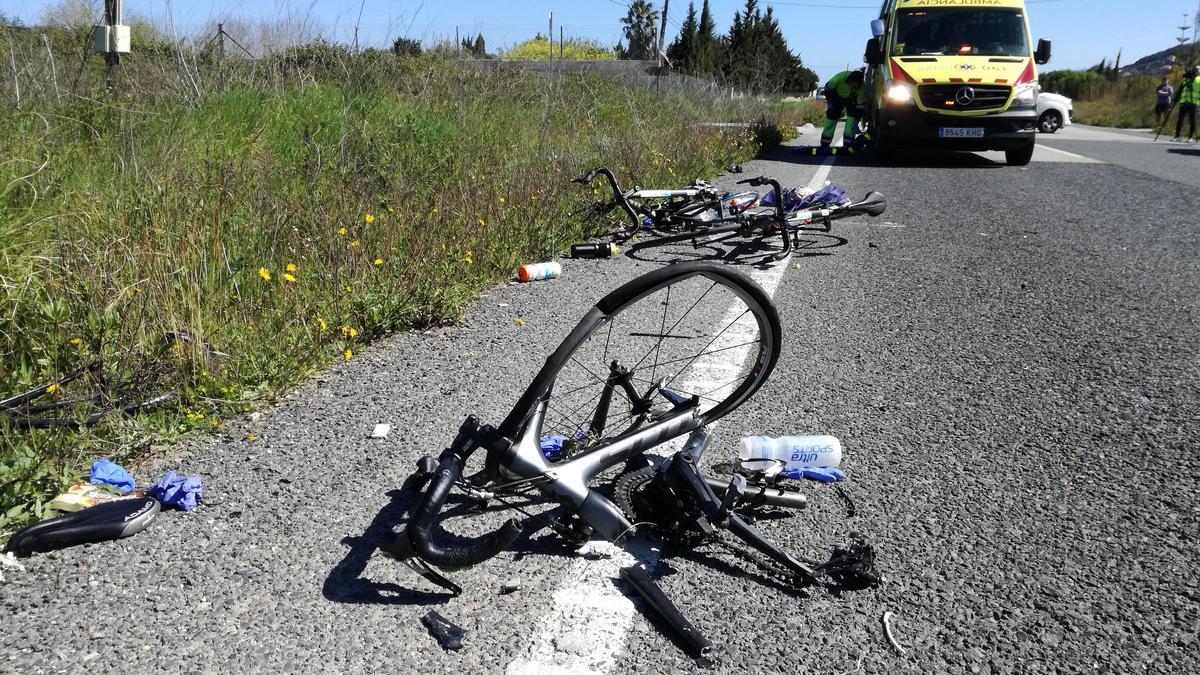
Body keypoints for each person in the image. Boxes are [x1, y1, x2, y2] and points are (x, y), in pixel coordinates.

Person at [821, 69, 866, 148]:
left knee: (851, 121)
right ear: (850, 81)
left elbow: (859, 106)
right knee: (831, 118)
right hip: (835, 96)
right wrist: (830, 102)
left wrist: (857, 120)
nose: (855, 87)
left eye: (858, 86)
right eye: (854, 85)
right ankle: (825, 143)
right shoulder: (840, 77)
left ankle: (848, 145)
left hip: (851, 100)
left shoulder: (862, 87)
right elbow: (827, 89)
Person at [1174, 67, 1199, 142]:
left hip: (1193, 103)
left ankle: (1190, 137)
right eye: (1195, 69)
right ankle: (1177, 137)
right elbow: (1180, 90)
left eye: (1197, 70)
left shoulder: (1199, 80)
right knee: (1180, 120)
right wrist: (1176, 98)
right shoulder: (1185, 79)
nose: (1196, 71)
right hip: (1184, 102)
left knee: (1192, 120)